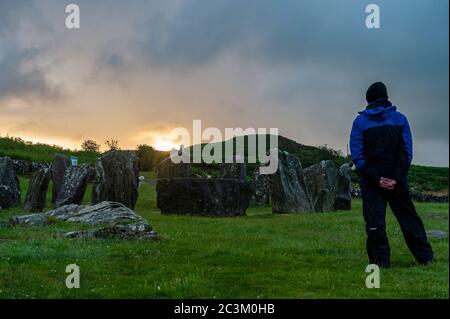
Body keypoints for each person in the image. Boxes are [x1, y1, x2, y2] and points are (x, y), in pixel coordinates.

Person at [350, 82, 434, 268]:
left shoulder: (359, 122)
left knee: (375, 223)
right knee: (409, 219)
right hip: (397, 181)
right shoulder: (400, 119)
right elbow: (406, 153)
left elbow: (358, 156)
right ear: (386, 97)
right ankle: (425, 258)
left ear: (368, 99)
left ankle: (380, 261)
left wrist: (377, 179)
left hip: (372, 183)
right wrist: (396, 178)